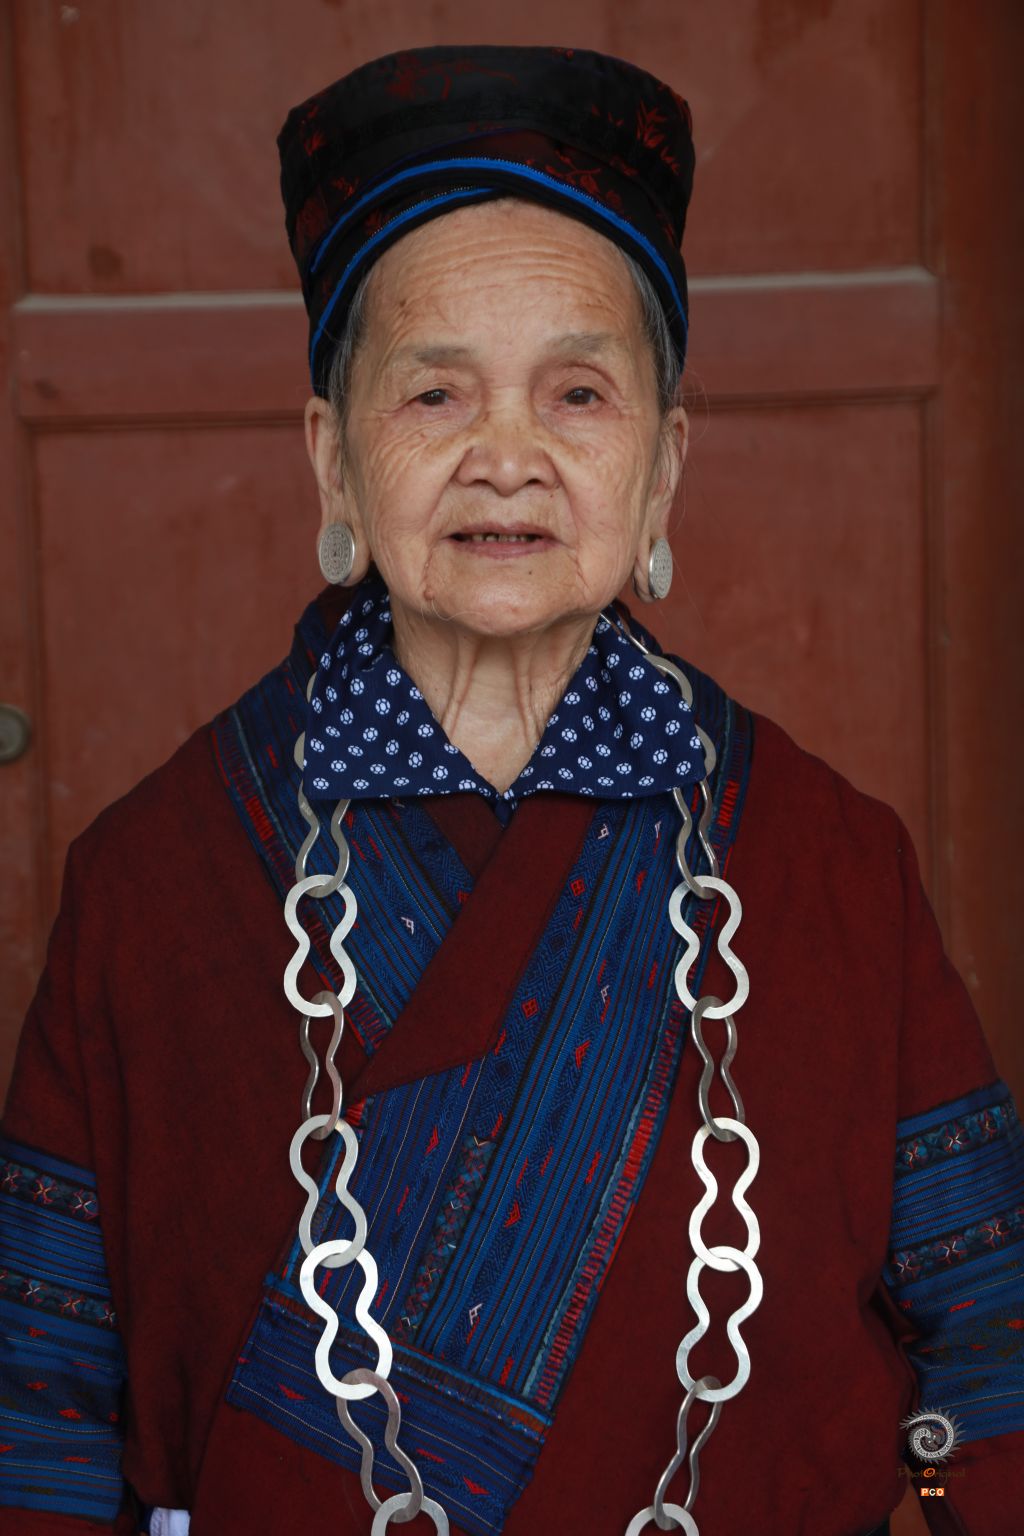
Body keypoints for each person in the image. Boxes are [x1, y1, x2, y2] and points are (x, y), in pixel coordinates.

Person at [1, 43, 1021, 1536]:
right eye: (434, 393)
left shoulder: (827, 862)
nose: (508, 458)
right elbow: (40, 1417)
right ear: (333, 464)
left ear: (663, 469)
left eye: (579, 394)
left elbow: (986, 1362)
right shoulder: (154, 882)